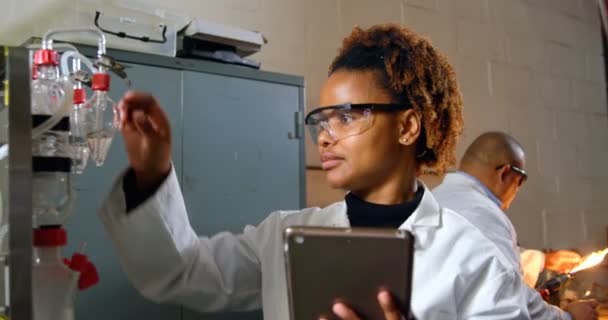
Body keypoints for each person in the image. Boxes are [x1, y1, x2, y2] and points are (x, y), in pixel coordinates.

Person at [100, 23, 538, 319]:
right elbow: (181, 273)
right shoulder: (286, 236)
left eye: (347, 117)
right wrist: (152, 173)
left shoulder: (471, 257)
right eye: (322, 121)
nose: (325, 137)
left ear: (407, 126)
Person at [433, 131, 599, 320]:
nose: (517, 190)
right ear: (505, 173)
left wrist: (545, 259)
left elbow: (483, 264)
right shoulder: (482, 213)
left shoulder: (436, 199)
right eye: (520, 180)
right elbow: (508, 300)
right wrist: (568, 317)